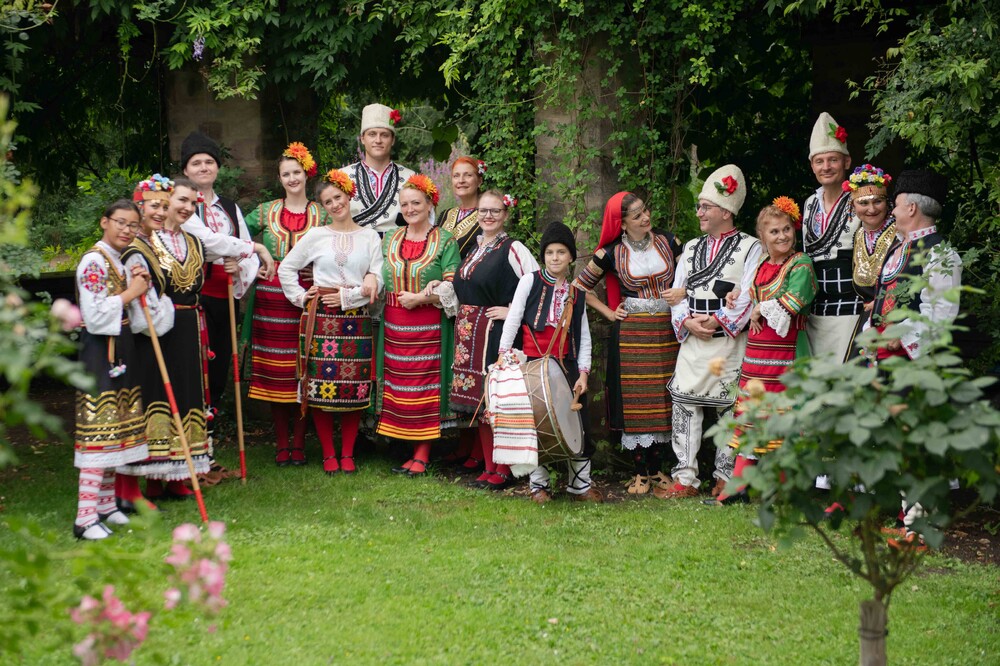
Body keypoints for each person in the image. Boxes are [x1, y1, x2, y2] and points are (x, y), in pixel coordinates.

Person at [867, 169, 962, 549]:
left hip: (916, 361)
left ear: (910, 207)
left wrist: (899, 336)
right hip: (889, 359)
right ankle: (908, 520)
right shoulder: (899, 248)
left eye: (895, 203)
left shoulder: (940, 252)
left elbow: (941, 316)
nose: (890, 210)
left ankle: (921, 528)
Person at [657, 165, 762, 499]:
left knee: (730, 407)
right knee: (684, 405)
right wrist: (685, 321)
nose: (699, 212)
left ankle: (725, 476)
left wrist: (717, 320)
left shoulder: (751, 247)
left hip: (729, 340)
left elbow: (749, 293)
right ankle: (685, 479)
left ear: (726, 212)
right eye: (699, 206)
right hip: (693, 340)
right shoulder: (690, 247)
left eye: (705, 207)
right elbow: (676, 294)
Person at [574, 192, 683, 495]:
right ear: (621, 224)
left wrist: (682, 293)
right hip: (632, 334)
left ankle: (658, 470)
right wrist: (609, 312)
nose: (645, 217)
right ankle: (640, 473)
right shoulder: (609, 254)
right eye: (636, 216)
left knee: (665, 398)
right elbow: (579, 287)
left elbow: (691, 275)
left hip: (668, 330)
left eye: (645, 210)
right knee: (636, 401)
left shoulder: (669, 241)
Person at [710, 197, 817, 505]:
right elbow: (751, 294)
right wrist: (737, 297)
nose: (782, 236)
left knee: (783, 414)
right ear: (762, 236)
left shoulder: (801, 263)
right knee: (752, 414)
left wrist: (761, 308)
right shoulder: (761, 264)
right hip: (758, 352)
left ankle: (785, 489)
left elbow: (796, 299)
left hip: (786, 349)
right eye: (774, 231)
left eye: (786, 229)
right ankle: (739, 486)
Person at [278, 169, 383, 475]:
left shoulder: (369, 237)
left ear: (349, 195)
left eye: (338, 197)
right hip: (321, 316)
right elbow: (286, 268)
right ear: (323, 207)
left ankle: (347, 453)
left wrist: (352, 295)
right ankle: (328, 454)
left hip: (356, 318)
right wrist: (301, 297)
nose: (335, 205)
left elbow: (379, 278)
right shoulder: (316, 236)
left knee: (354, 386)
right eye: (328, 202)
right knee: (320, 385)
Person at [122, 179, 218, 498]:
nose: (184, 208)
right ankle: (154, 478)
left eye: (192, 202)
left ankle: (179, 477)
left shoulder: (194, 242)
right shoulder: (143, 245)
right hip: (158, 328)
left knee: (187, 394)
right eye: (178, 201)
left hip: (188, 326)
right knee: (158, 395)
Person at [178, 130, 275, 435]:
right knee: (197, 361)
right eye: (196, 163)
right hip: (195, 296)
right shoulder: (183, 206)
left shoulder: (230, 208)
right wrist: (248, 249)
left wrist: (239, 266)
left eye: (209, 162)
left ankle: (210, 421)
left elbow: (245, 253)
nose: (203, 167)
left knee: (220, 362)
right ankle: (190, 422)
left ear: (217, 168)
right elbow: (206, 243)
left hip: (226, 295)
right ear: (185, 170)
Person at [498, 221, 602, 503]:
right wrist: (503, 355)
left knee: (578, 422)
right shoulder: (529, 282)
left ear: (571, 257)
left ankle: (580, 486)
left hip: (567, 366)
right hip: (533, 365)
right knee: (535, 425)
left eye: (561, 252)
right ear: (543, 255)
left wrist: (583, 374)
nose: (555, 258)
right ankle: (538, 486)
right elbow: (513, 320)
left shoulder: (577, 294)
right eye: (549, 253)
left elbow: (583, 337)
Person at [242, 143, 325, 466]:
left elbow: (339, 244)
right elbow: (236, 235)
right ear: (279, 178)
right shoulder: (265, 211)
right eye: (286, 174)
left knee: (304, 368)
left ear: (307, 174)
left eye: (296, 172)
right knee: (276, 372)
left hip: (307, 297)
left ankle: (299, 443)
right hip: (271, 301)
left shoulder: (322, 213)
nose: (292, 178)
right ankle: (281, 442)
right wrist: (256, 259)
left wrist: (323, 273)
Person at [72, 200, 151, 539]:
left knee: (117, 429)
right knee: (99, 430)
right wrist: (131, 292)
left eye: (133, 225)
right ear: (105, 222)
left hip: (120, 348)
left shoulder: (118, 261)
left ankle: (105, 505)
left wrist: (138, 287)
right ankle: (85, 517)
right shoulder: (93, 261)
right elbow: (93, 315)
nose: (127, 230)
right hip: (99, 350)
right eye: (121, 222)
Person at [449, 190, 537, 490]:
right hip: (470, 335)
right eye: (483, 211)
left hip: (497, 334)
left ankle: (504, 469)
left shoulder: (513, 248)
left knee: (495, 401)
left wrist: (513, 310)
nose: (488, 216)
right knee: (480, 404)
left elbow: (538, 284)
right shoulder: (475, 247)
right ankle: (489, 466)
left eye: (495, 211)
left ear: (505, 214)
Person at [377, 174, 461, 476]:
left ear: (429, 205)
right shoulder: (390, 238)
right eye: (404, 204)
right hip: (394, 325)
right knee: (399, 387)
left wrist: (421, 298)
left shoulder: (445, 240)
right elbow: (376, 272)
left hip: (429, 327)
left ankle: (423, 454)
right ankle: (407, 449)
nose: (410, 209)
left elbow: (453, 285)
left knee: (424, 387)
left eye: (416, 203)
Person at [803, 112, 863, 362]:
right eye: (819, 161)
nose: (826, 167)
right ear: (812, 166)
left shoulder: (863, 200)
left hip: (852, 311)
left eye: (833, 160)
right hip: (815, 314)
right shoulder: (809, 204)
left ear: (846, 162)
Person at [341, 103, 416, 235]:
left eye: (384, 135)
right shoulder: (342, 177)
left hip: (398, 246)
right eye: (372, 134)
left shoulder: (411, 178)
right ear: (362, 138)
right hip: (353, 245)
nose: (378, 140)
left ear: (392, 140)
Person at [847, 164, 896, 307]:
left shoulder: (899, 232)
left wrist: (880, 303)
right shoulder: (859, 235)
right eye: (863, 203)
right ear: (853, 206)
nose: (872, 209)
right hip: (867, 312)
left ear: (887, 203)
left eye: (878, 201)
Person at [438, 157, 487, 258]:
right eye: (456, 176)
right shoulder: (445, 215)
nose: (461, 180)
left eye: (468, 175)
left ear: (479, 181)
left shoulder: (487, 217)